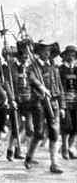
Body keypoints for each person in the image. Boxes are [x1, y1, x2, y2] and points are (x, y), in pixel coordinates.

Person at [25, 41, 65, 173]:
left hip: (53, 104)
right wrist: (42, 88)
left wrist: (62, 106)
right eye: (43, 50)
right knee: (39, 133)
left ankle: (54, 163)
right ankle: (29, 157)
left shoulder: (54, 68)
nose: (46, 52)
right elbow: (31, 79)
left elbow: (59, 88)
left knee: (54, 133)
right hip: (38, 103)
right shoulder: (32, 66)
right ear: (38, 52)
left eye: (48, 50)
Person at [59, 45, 77, 159]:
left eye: (73, 55)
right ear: (64, 56)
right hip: (65, 102)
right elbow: (58, 88)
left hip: (76, 101)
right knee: (67, 125)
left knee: (76, 125)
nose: (71, 57)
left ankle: (71, 147)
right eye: (69, 55)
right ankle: (65, 147)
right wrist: (61, 104)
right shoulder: (59, 70)